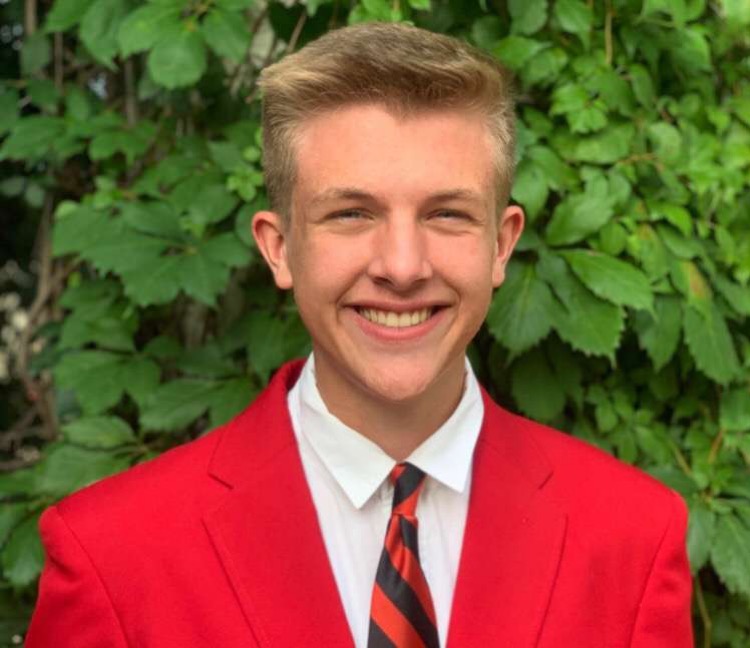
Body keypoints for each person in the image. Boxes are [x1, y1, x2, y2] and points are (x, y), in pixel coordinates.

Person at [25, 22, 693, 648]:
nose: (402, 266)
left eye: (448, 214)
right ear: (279, 247)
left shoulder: (631, 539)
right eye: (351, 213)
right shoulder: (113, 555)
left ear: (502, 244)